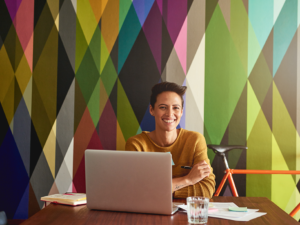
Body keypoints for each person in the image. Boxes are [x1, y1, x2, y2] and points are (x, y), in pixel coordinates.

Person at [125, 82, 215, 198]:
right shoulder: (136, 145)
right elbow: (135, 190)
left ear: (181, 112)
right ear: (151, 110)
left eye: (176, 108)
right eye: (163, 107)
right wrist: (188, 180)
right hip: (148, 212)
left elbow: (207, 189)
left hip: (186, 214)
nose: (170, 114)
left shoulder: (195, 140)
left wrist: (157, 189)